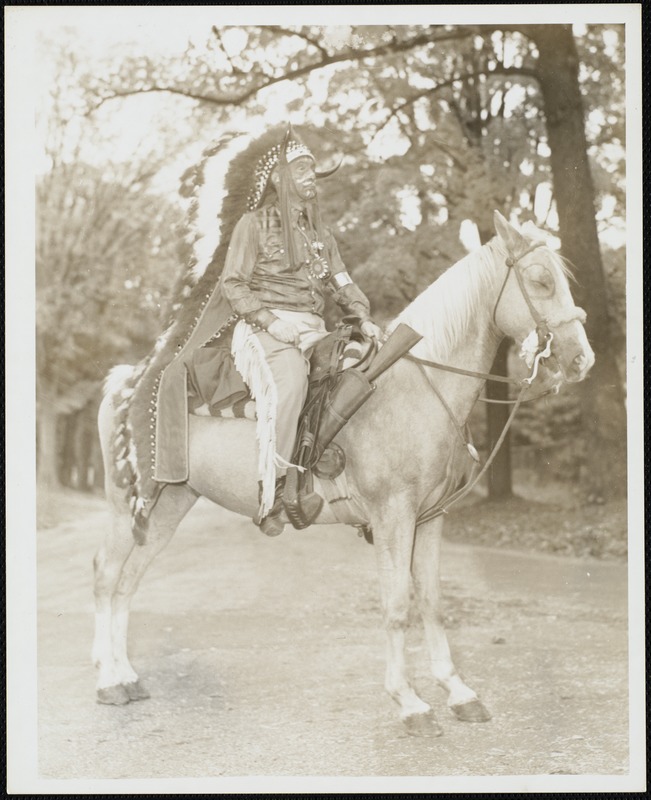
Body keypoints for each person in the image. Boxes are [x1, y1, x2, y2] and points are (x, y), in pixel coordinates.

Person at [217, 126, 382, 535]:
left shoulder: (321, 236)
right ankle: (273, 491)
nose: (311, 177)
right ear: (279, 177)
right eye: (302, 169)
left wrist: (362, 316)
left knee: (363, 373)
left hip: (314, 327)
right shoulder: (252, 226)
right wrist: (273, 322)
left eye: (313, 170)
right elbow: (233, 284)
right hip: (265, 323)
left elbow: (341, 282)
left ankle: (363, 488)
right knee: (291, 382)